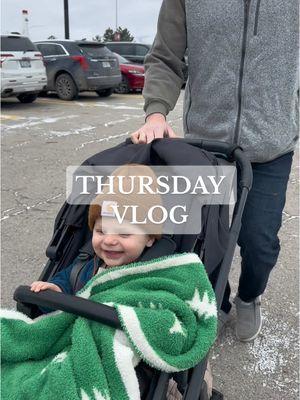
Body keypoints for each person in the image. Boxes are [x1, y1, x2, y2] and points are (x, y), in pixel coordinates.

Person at [131, 0, 298, 341]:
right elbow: (165, 56)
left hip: (271, 147)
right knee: (204, 237)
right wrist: (156, 113)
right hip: (206, 147)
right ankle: (215, 300)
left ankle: (249, 297)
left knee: (259, 241)